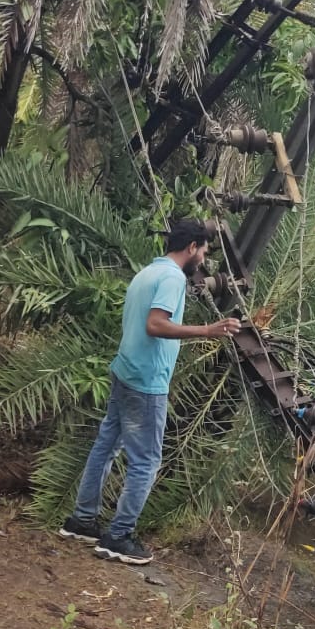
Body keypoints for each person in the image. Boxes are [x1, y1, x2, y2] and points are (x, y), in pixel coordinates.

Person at [60, 219, 241, 565]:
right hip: (146, 381)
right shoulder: (173, 278)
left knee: (106, 445)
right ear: (191, 248)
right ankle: (118, 537)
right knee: (146, 461)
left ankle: (82, 521)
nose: (203, 259)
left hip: (124, 370)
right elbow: (155, 324)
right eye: (203, 251)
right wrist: (208, 329)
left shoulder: (148, 273)